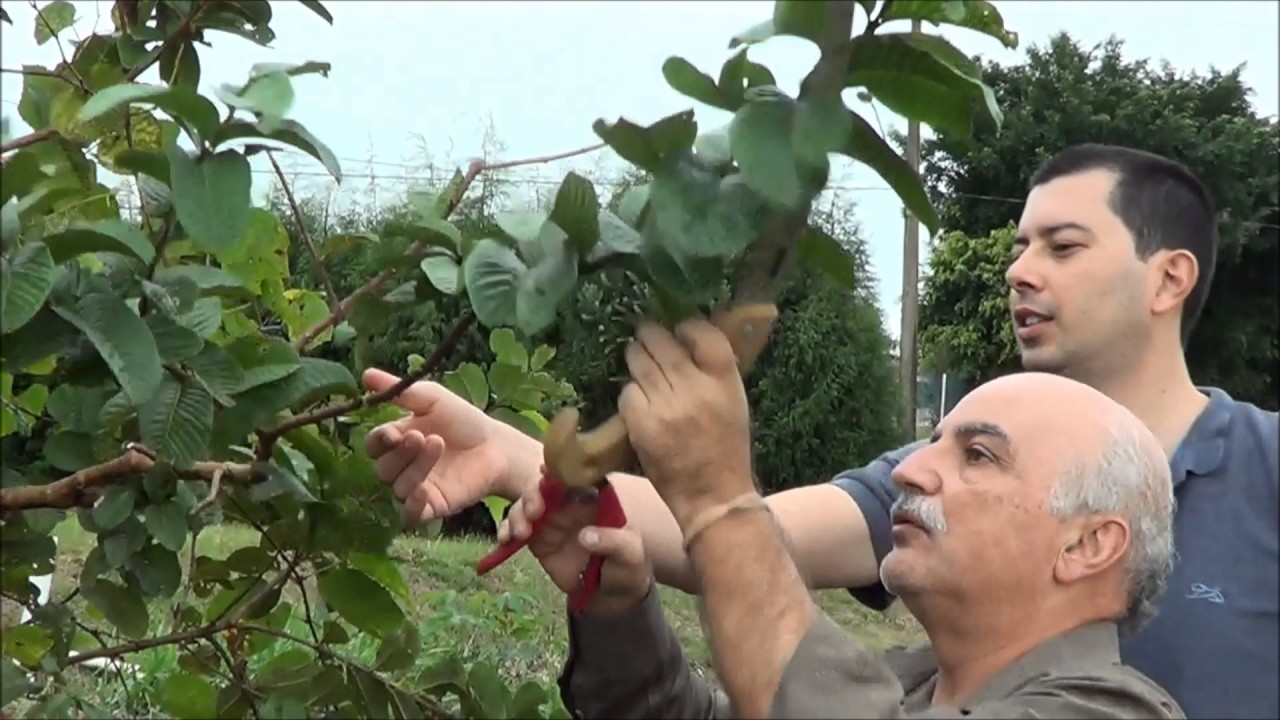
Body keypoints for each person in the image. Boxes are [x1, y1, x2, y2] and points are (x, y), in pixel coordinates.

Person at [361, 143, 1279, 718]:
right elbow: (741, 544)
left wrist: (720, 499)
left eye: (1062, 246)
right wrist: (528, 464)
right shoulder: (920, 650)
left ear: (1170, 279)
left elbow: (732, 530)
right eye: (1017, 246)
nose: (1019, 271)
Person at [544, 368, 1183, 718]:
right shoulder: (906, 682)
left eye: (979, 456)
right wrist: (617, 607)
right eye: (933, 443)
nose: (909, 471)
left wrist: (719, 502)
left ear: (1088, 545)